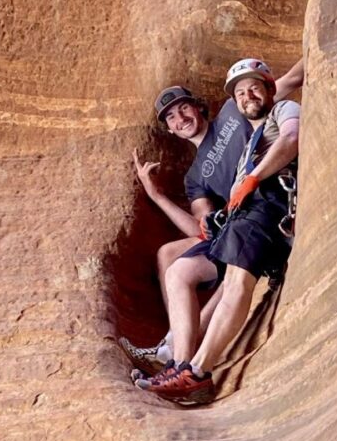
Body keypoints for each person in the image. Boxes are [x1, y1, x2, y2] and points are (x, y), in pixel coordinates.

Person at [118, 59, 304, 378]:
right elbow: (199, 227)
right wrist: (157, 196)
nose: (181, 118)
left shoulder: (233, 114)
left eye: (184, 108)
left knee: (232, 262)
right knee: (171, 256)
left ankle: (180, 357)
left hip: (260, 204)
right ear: (169, 130)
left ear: (200, 108)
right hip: (234, 220)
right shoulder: (194, 177)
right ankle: (176, 352)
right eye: (172, 118)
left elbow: (286, 82)